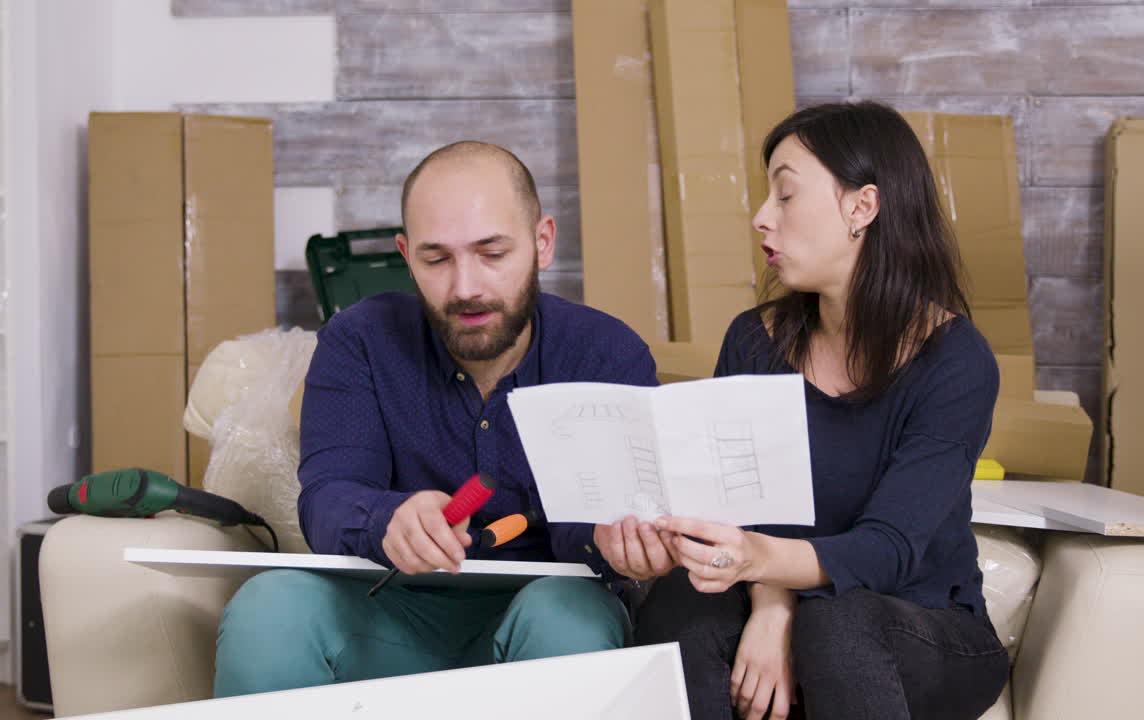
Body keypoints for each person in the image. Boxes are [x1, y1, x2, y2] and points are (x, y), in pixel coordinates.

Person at [213, 141, 677, 697]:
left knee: (567, 613)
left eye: (492, 253)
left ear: (542, 242)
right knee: (269, 605)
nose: (466, 288)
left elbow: (604, 525)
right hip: (391, 606)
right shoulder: (358, 340)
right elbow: (327, 495)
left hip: (550, 601)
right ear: (406, 255)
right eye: (437, 259)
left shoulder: (606, 353)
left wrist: (616, 539)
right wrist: (390, 518)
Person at [634, 102, 1009, 720]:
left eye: (785, 196)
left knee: (838, 623)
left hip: (923, 627)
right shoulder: (754, 340)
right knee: (682, 611)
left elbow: (887, 549)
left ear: (862, 207)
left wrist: (765, 572)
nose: (761, 218)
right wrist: (771, 603)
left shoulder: (956, 361)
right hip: (781, 592)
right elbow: (732, 507)